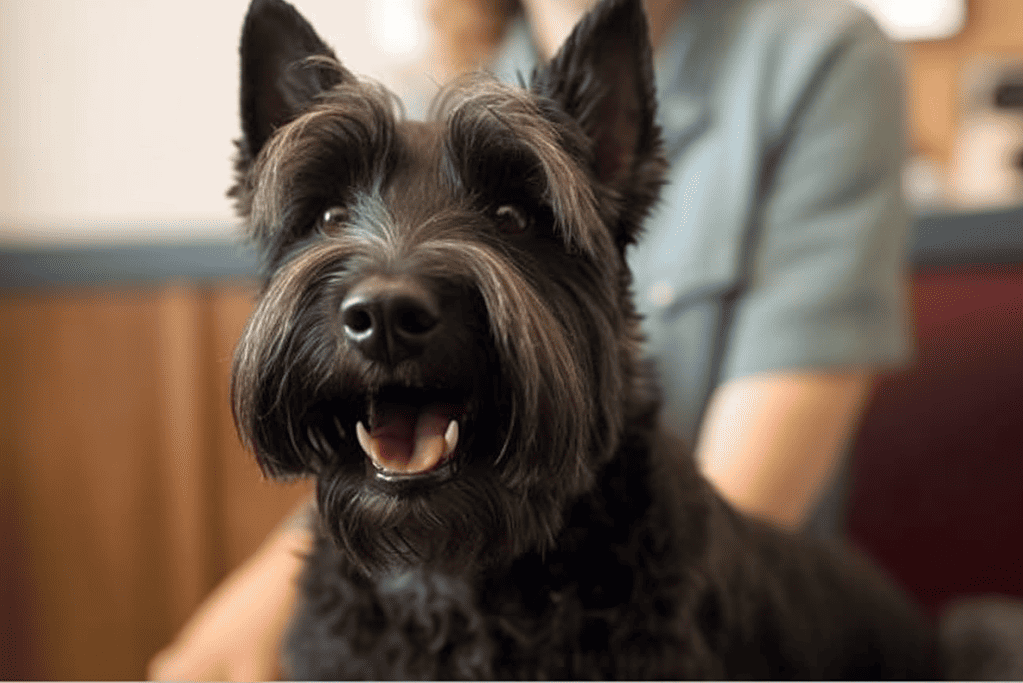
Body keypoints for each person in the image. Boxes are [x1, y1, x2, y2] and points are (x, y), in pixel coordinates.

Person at [148, 0, 912, 678]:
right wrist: (268, 590)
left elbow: (746, 497)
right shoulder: (419, 84)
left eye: (510, 221)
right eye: (329, 220)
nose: (386, 289)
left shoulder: (816, 54)